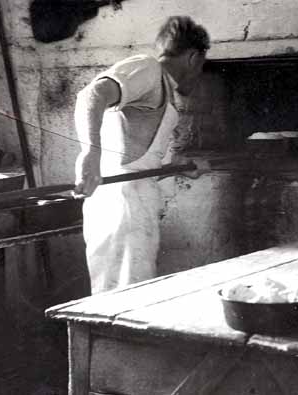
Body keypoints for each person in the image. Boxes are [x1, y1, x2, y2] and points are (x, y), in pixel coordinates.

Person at [73, 16, 210, 294]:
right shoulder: (148, 68)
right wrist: (91, 152)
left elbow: (138, 155)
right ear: (194, 58)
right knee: (121, 295)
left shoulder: (163, 88)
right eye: (201, 65)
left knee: (131, 291)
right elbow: (91, 95)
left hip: (136, 198)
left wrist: (174, 167)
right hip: (121, 201)